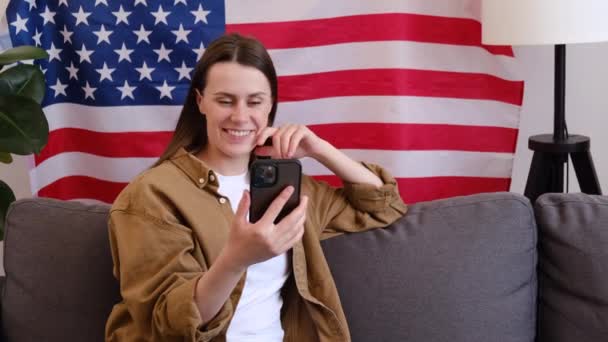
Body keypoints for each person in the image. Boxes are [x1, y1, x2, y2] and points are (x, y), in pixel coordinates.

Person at [105, 33, 408, 342]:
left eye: (254, 101)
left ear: (270, 105)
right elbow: (167, 326)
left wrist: (320, 149)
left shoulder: (289, 189)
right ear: (200, 102)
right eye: (225, 100)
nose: (240, 116)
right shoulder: (152, 195)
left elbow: (384, 206)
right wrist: (236, 260)